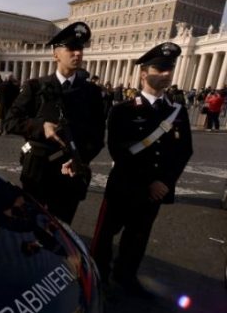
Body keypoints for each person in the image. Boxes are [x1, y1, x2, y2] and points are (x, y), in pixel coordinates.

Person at [90, 42, 193, 299]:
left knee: (138, 237)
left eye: (170, 69)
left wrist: (165, 182)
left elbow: (184, 151)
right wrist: (150, 181)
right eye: (160, 68)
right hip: (125, 186)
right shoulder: (122, 110)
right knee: (105, 236)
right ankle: (98, 276)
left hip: (155, 192)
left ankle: (126, 276)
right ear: (143, 72)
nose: (166, 74)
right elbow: (119, 151)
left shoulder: (177, 112)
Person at [3, 21, 106, 224]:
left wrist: (80, 159)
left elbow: (97, 135)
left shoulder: (92, 92)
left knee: (61, 229)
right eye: (71, 49)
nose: (78, 54)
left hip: (71, 174)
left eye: (81, 49)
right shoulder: (35, 87)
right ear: (56, 53)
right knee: (30, 224)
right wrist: (41, 127)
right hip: (37, 171)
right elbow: (10, 122)